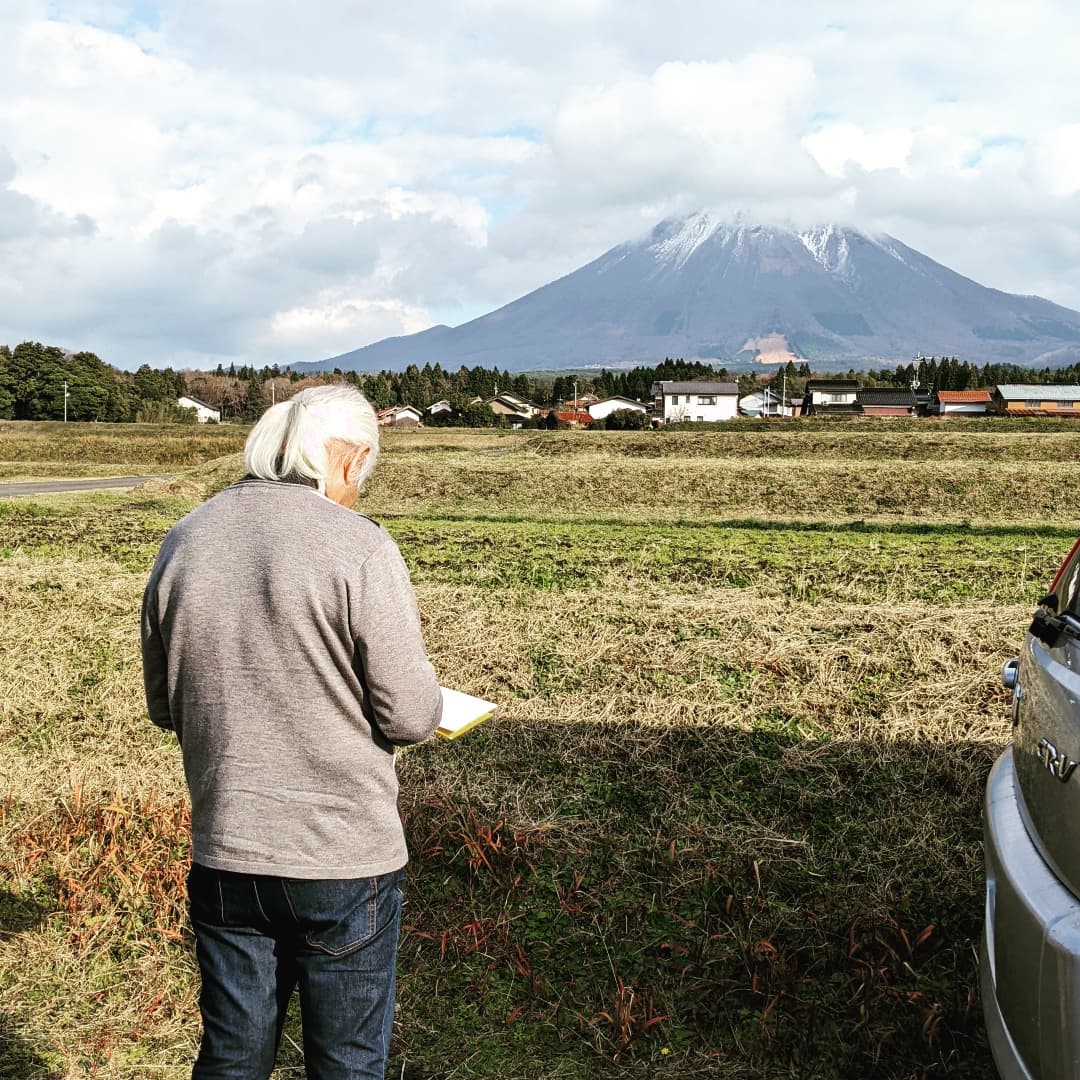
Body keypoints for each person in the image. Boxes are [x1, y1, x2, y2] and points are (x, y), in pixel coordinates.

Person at [141, 384, 443, 1079]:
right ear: (350, 459)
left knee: (232, 1057)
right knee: (345, 1062)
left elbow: (166, 704)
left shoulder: (186, 539)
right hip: (342, 856)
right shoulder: (359, 547)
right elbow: (408, 714)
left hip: (227, 849)